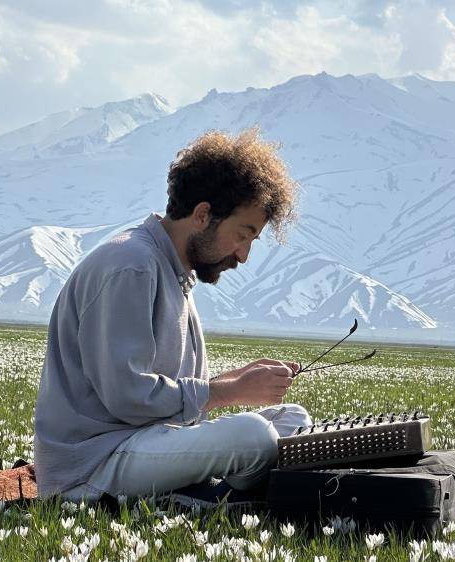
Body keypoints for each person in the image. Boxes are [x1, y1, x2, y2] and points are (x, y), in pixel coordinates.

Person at [33, 127, 311, 499]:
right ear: (202, 215)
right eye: (243, 235)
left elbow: (159, 391)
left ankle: (215, 489)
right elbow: (128, 396)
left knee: (293, 420)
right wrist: (225, 392)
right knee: (255, 437)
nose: (243, 255)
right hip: (97, 462)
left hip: (146, 442)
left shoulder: (172, 270)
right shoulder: (131, 266)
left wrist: (236, 380)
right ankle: (220, 494)